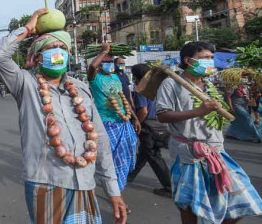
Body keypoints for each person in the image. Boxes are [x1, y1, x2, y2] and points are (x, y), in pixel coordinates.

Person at [0, 9, 127, 224]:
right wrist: (27, 28)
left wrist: (113, 190)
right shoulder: (26, 85)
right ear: (37, 57)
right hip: (46, 182)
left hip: (84, 181)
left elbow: (100, 139)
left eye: (62, 48)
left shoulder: (81, 88)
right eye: (51, 48)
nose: (58, 52)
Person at [156, 42, 262, 224]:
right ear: (188, 60)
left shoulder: (209, 84)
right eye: (206, 58)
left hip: (216, 149)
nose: (210, 61)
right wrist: (198, 112)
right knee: (189, 203)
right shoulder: (171, 83)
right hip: (188, 152)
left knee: (241, 198)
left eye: (212, 58)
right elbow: (163, 115)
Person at [88, 42, 140, 213]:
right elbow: (92, 66)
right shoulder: (95, 78)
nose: (110, 64)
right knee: (114, 161)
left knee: (128, 156)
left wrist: (134, 117)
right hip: (107, 124)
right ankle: (119, 199)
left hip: (123, 122)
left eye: (111, 61)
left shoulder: (116, 77)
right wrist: (104, 51)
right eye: (106, 61)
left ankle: (116, 190)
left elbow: (123, 98)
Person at [127, 64, 171, 198]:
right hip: (161, 123)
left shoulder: (141, 87)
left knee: (153, 155)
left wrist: (137, 123)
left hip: (149, 126)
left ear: (136, 76)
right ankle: (131, 175)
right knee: (145, 152)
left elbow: (143, 110)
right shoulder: (158, 85)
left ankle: (169, 186)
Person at [225, 73, 261, 142]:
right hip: (236, 106)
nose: (245, 79)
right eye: (244, 77)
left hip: (244, 106)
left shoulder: (246, 86)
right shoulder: (234, 86)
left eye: (246, 77)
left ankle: (232, 134)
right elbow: (228, 97)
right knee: (248, 119)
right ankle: (254, 136)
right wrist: (230, 107)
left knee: (237, 121)